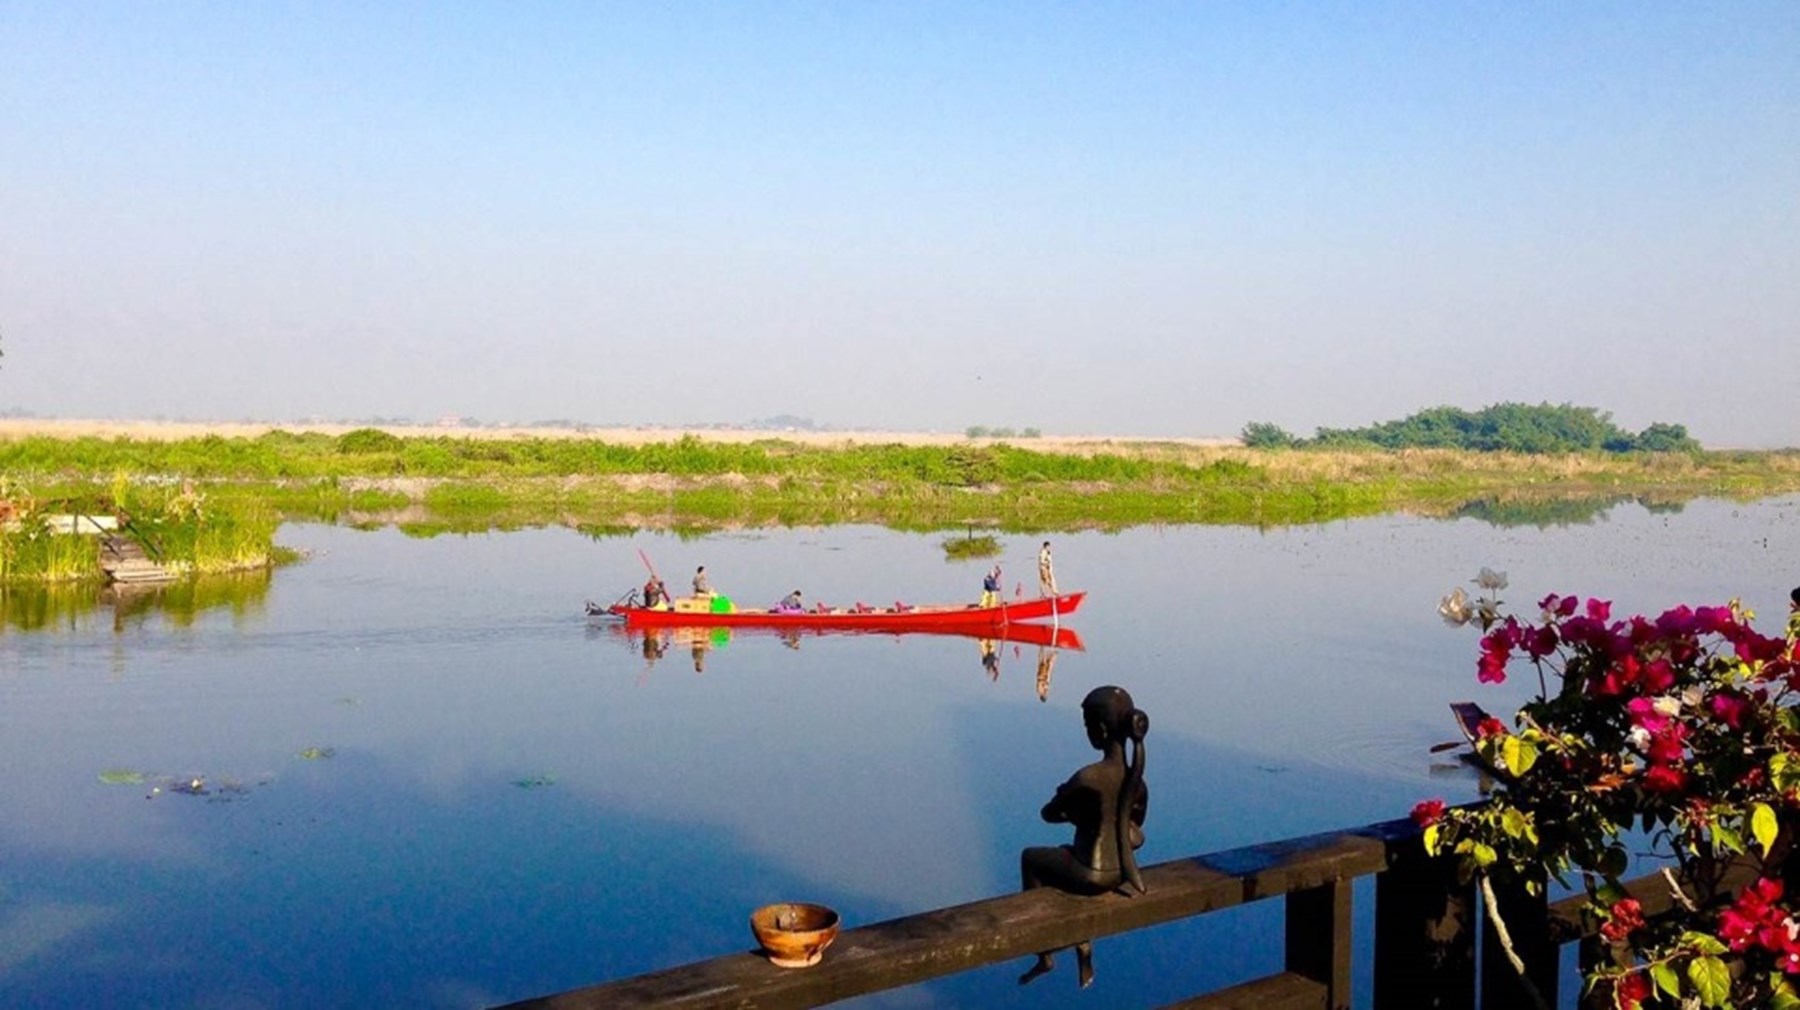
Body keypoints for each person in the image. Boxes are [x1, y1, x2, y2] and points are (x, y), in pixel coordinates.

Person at [1019, 685, 1148, 988]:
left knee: (1032, 859)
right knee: (1065, 854)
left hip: (1090, 872)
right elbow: (1134, 828)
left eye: (1088, 726)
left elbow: (1048, 814)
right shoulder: (1137, 781)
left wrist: (1065, 800)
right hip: (1120, 876)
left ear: (1100, 730)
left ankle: (1044, 951)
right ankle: (1082, 942)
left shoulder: (1088, 777)